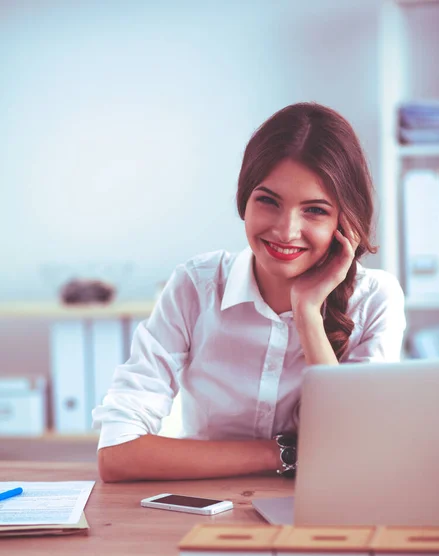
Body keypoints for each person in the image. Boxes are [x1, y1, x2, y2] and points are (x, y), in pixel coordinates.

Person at [93, 102, 406, 483]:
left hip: (321, 511)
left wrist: (307, 313)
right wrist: (282, 452)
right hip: (204, 508)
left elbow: (356, 454)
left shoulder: (375, 299)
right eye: (268, 201)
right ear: (245, 199)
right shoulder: (197, 286)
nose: (286, 230)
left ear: (345, 220)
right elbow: (117, 453)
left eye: (315, 211)